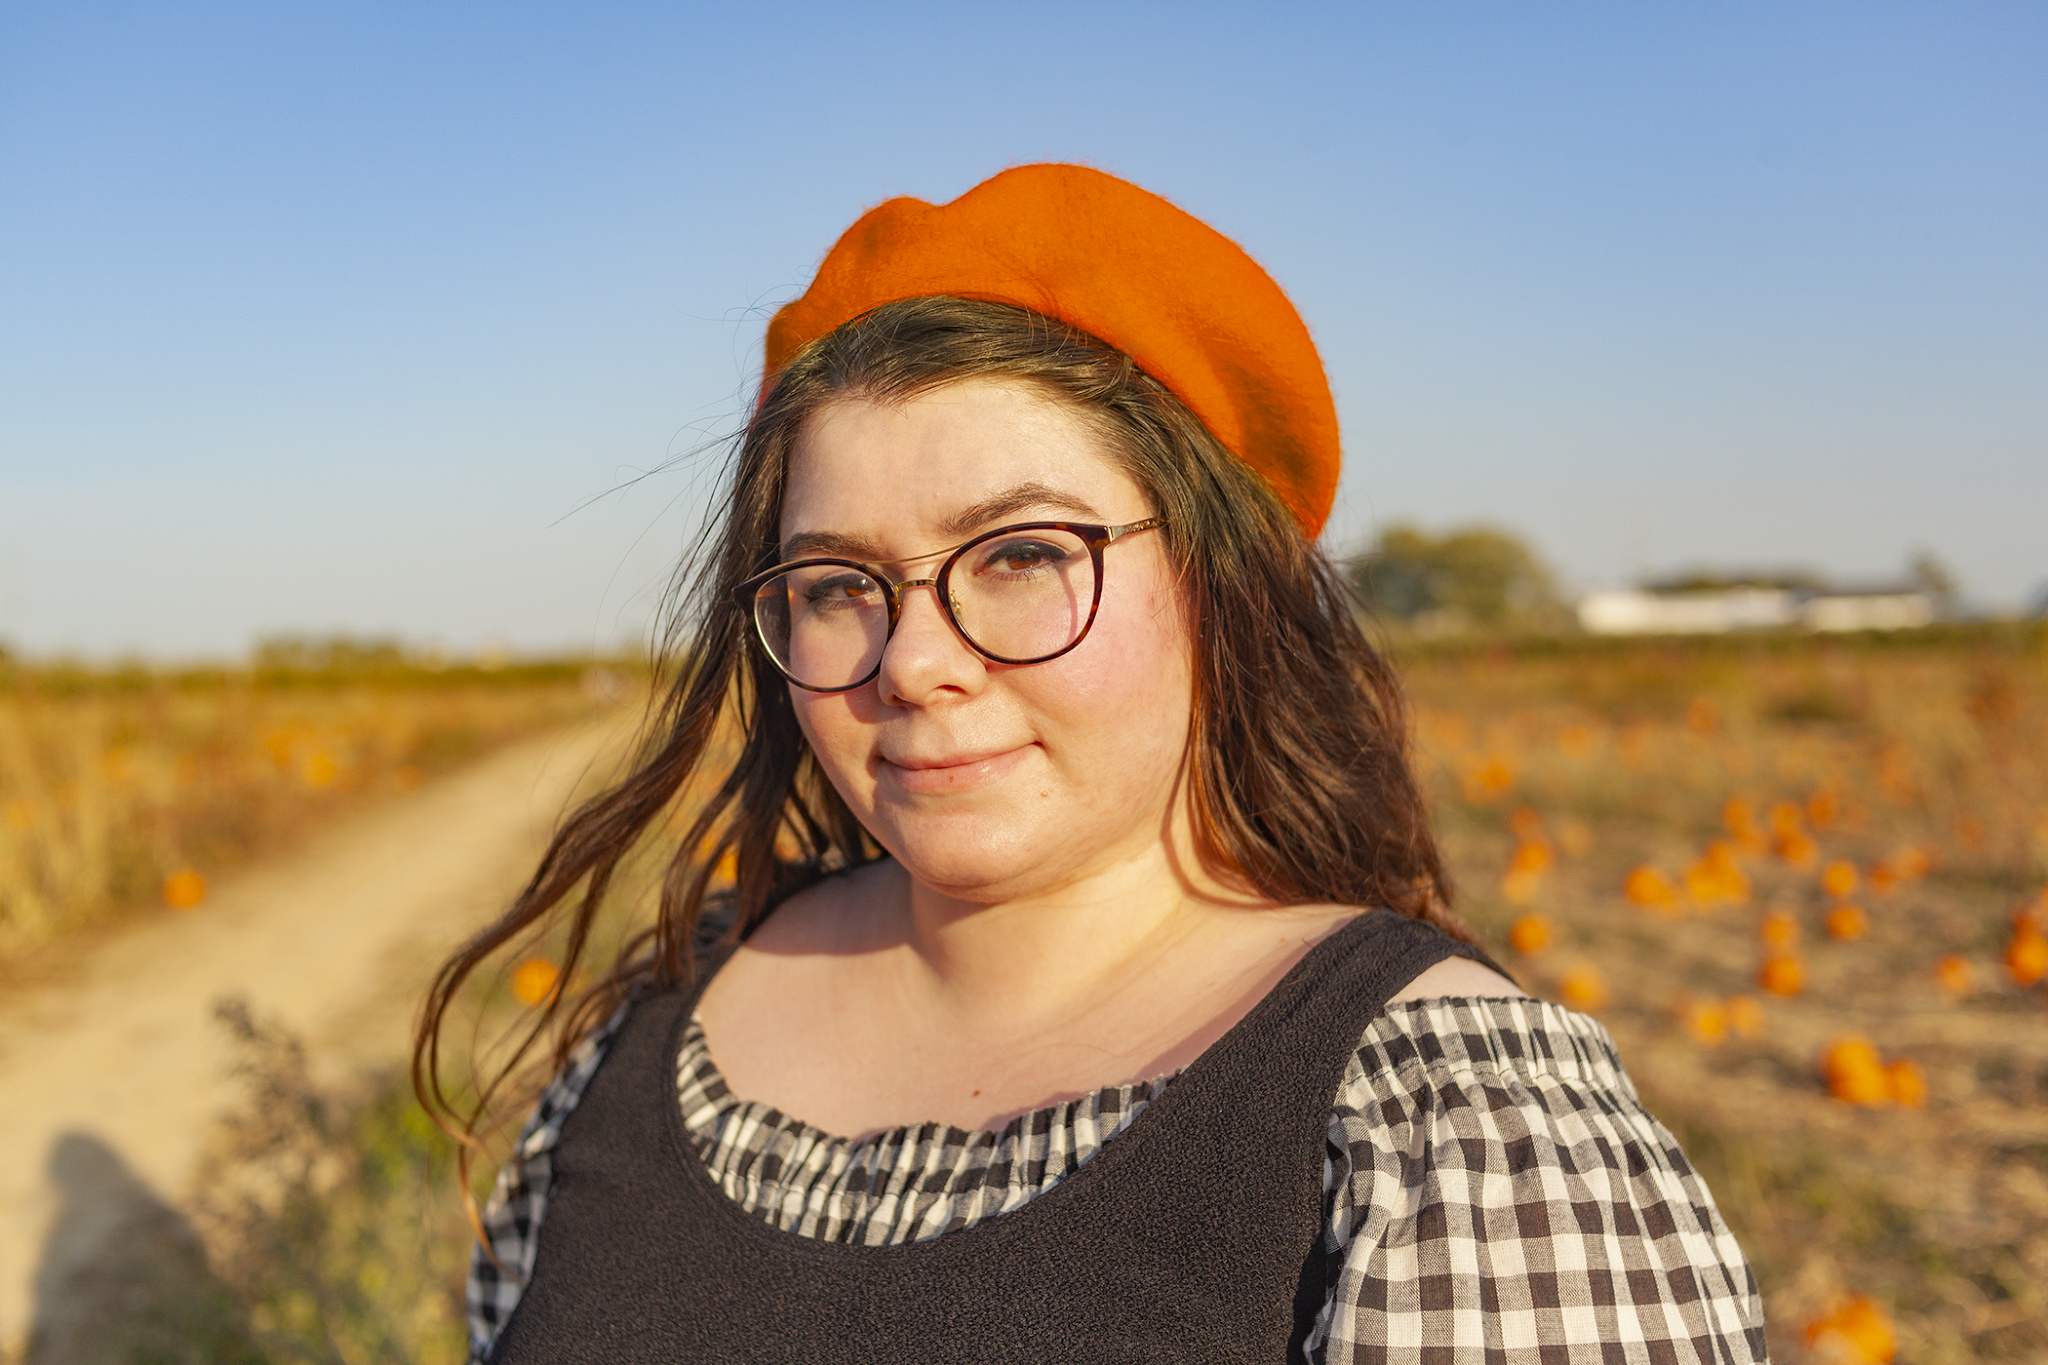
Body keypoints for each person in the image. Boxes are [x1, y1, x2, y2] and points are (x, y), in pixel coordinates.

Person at [415, 164, 1768, 1364]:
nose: (912, 661)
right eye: (837, 584)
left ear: (1221, 587)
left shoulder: (1443, 1123)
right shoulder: (657, 1019)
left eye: (1018, 558)